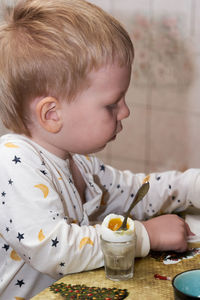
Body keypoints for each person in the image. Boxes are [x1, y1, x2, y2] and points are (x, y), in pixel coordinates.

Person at [0, 0, 199, 298]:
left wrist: (191, 185)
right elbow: (57, 250)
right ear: (52, 114)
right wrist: (145, 236)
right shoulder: (13, 163)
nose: (126, 111)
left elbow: (136, 193)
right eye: (111, 104)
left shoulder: (79, 163)